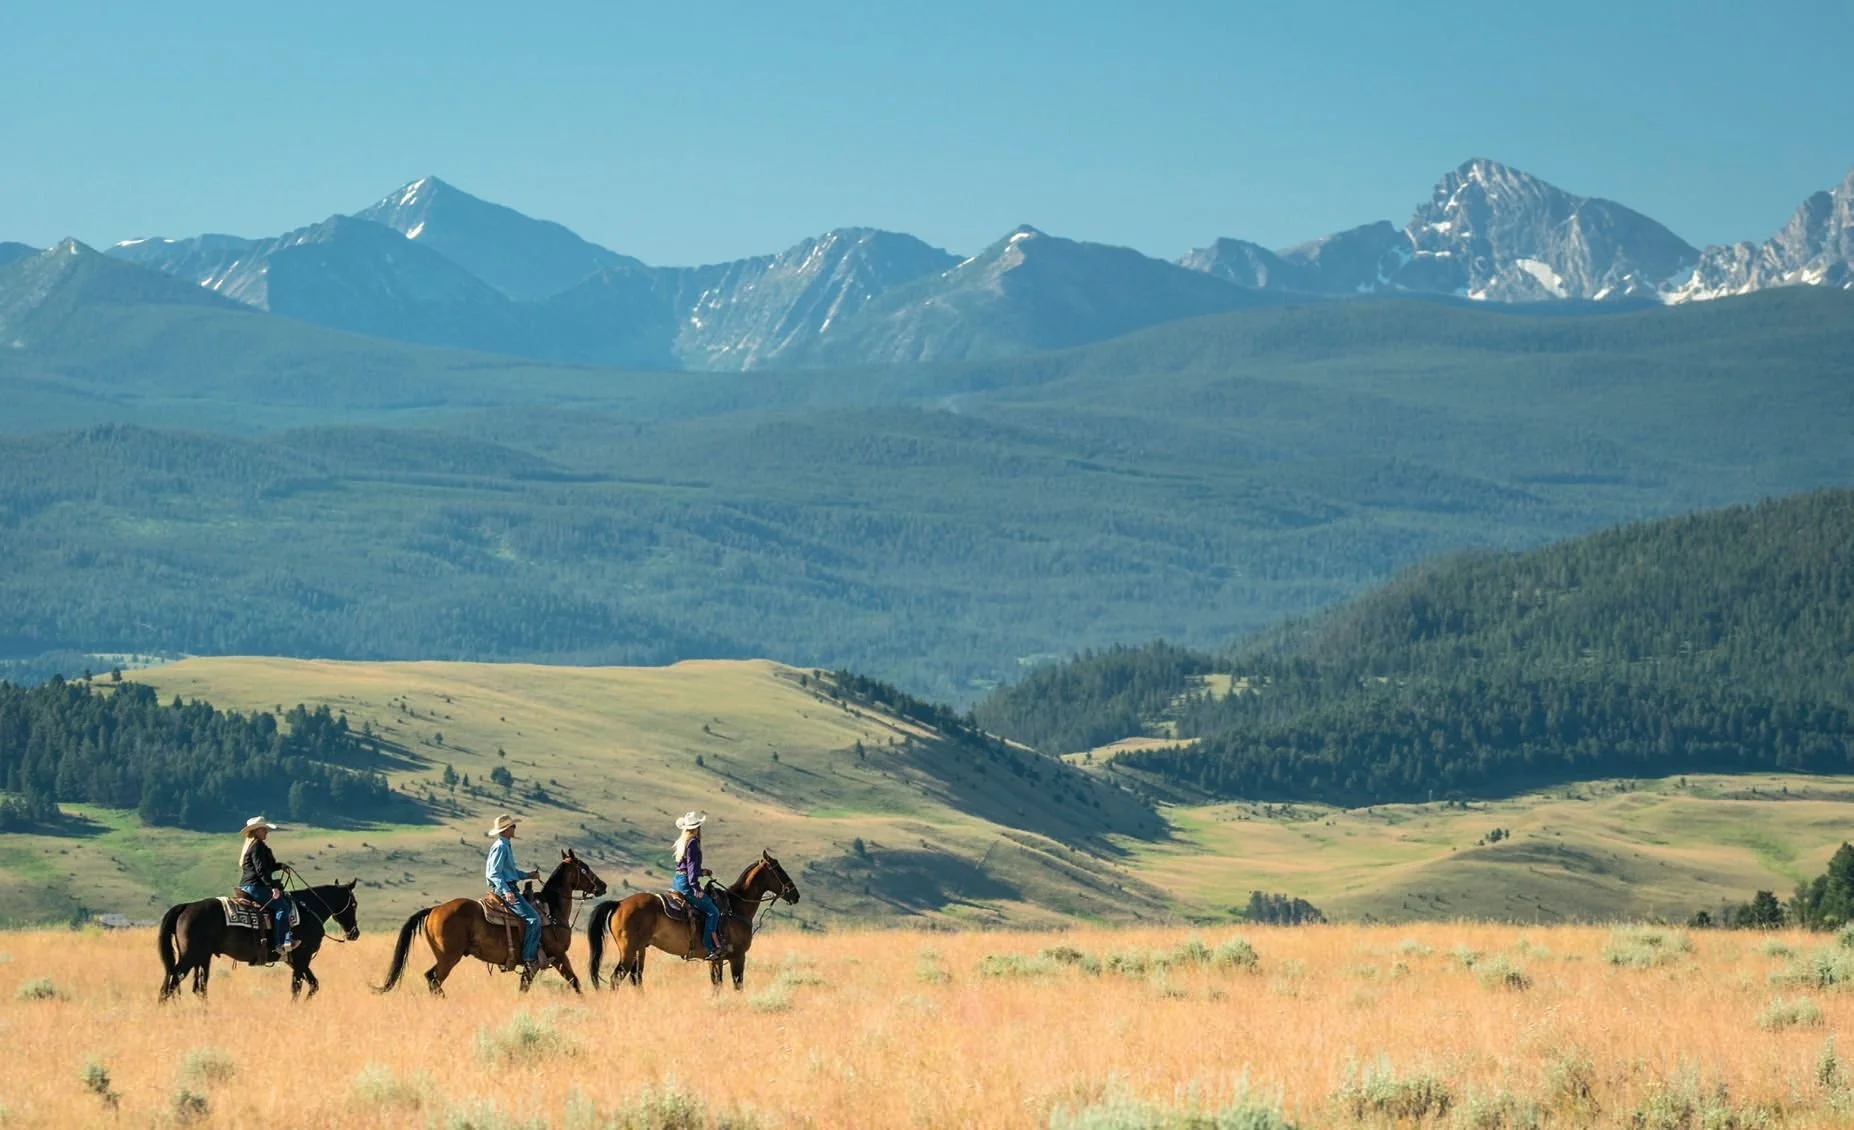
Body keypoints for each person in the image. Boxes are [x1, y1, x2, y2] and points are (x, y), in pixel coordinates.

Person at [485, 813, 545, 975]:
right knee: (533, 920)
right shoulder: (501, 847)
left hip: (509, 886)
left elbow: (509, 872)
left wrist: (527, 875)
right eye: (512, 826)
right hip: (506, 889)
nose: (514, 828)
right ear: (505, 830)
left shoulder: (504, 845)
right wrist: (506, 891)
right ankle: (529, 959)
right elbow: (493, 874)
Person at [671, 811, 728, 960]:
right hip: (687, 884)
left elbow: (687, 867)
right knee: (713, 911)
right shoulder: (693, 843)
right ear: (697, 828)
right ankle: (710, 947)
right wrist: (695, 888)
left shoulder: (684, 841)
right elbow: (691, 868)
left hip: (677, 881)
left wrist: (702, 872)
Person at [238, 816, 295, 959]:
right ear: (256, 831)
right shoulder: (257, 846)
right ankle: (280, 942)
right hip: (255, 886)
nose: (266, 832)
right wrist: (272, 887)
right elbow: (261, 870)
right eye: (264, 829)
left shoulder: (255, 845)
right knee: (282, 907)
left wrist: (280, 866)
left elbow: (266, 867)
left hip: (250, 885)